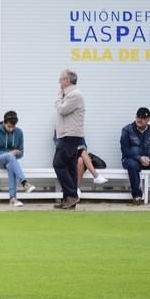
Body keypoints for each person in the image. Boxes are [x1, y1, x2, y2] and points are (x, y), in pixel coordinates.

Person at [120, 107, 150, 204]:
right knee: (132, 166)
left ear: (148, 120)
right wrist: (139, 158)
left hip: (148, 159)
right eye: (138, 116)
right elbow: (125, 150)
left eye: (143, 118)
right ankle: (137, 196)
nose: (139, 120)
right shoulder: (127, 130)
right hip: (131, 159)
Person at [0, 110, 35, 207]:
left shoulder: (19, 133)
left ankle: (13, 198)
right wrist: (8, 153)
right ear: (4, 123)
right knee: (10, 156)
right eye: (9, 126)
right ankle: (24, 182)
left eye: (13, 127)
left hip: (10, 162)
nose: (11, 129)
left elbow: (21, 153)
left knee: (11, 165)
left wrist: (14, 154)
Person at [53, 69, 85, 209]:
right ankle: (68, 199)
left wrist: (58, 98)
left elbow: (62, 110)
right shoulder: (70, 94)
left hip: (69, 135)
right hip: (68, 135)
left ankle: (71, 195)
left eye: (61, 79)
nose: (59, 82)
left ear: (68, 80)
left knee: (58, 164)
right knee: (69, 167)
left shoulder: (74, 95)